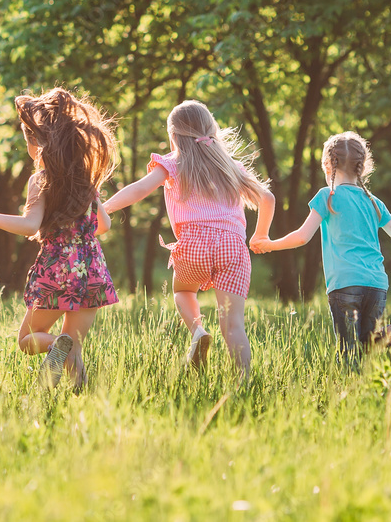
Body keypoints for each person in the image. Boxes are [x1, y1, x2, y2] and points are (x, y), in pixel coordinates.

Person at [251, 131, 391, 362]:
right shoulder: (373, 202)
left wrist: (270, 244)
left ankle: (349, 391)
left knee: (349, 353)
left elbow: (302, 237)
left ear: (327, 165)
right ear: (361, 167)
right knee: (366, 344)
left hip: (344, 284)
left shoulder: (327, 197)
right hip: (376, 285)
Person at [104, 100, 274, 379]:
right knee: (233, 325)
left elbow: (139, 189)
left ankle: (197, 331)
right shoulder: (230, 165)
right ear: (212, 130)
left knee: (183, 291)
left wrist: (105, 207)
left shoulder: (172, 163)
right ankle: (243, 382)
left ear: (173, 137)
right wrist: (261, 234)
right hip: (233, 246)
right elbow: (267, 197)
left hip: (194, 244)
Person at [0, 88, 119, 390]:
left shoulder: (41, 179)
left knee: (27, 341)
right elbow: (104, 224)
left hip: (56, 271)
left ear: (35, 142)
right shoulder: (86, 178)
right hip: (91, 271)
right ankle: (82, 394)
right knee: (72, 347)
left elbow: (29, 225)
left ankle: (54, 346)